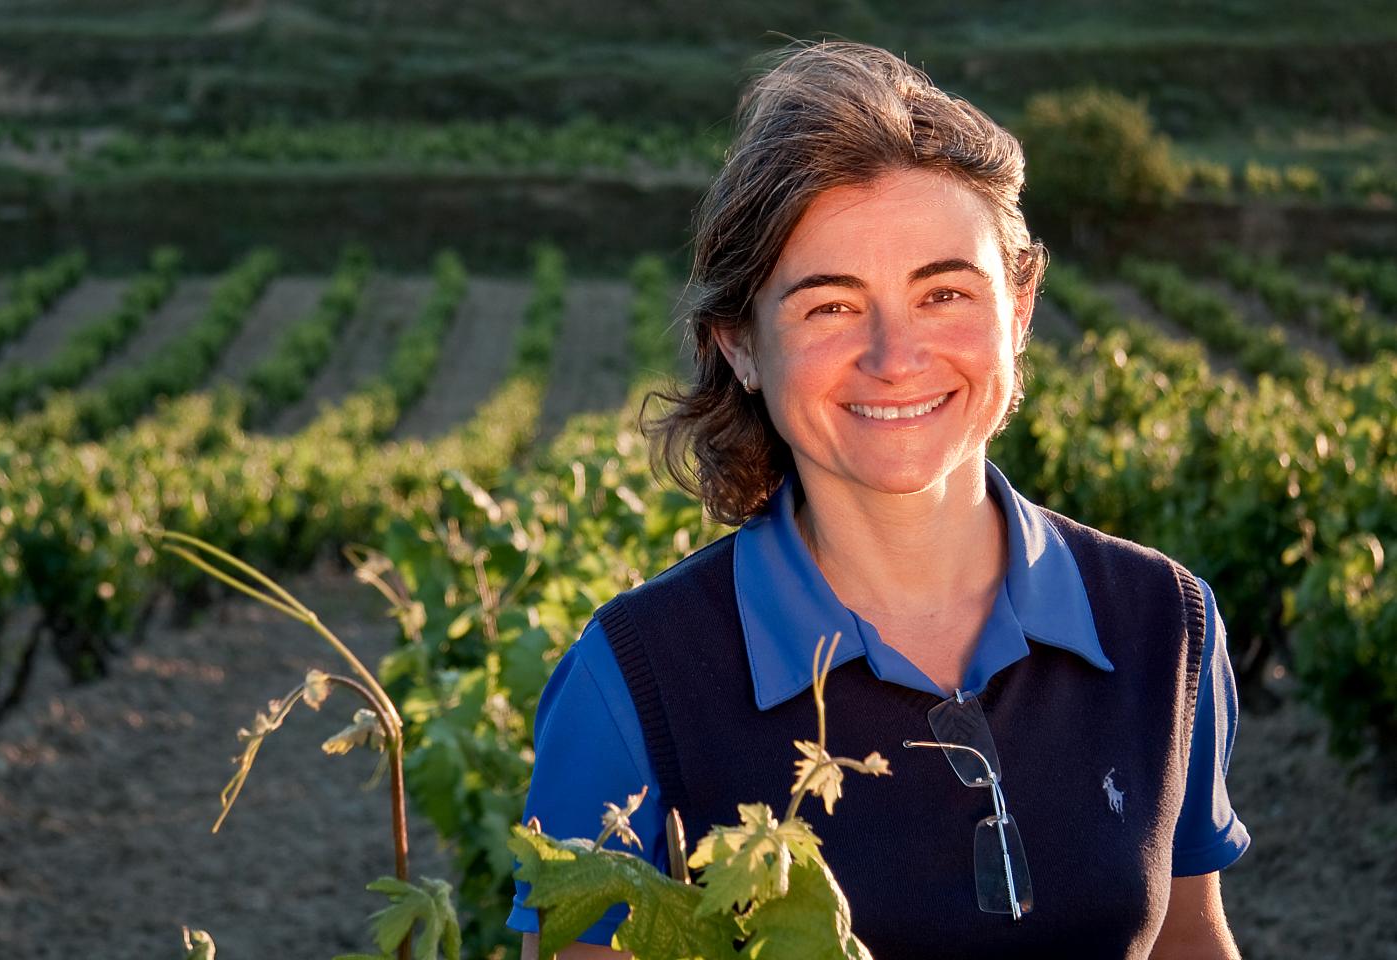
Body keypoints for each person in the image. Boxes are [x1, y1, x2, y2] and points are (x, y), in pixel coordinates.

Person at [511, 40, 1250, 960]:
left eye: (944, 293)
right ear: (739, 345)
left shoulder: (1164, 623)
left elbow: (1190, 937)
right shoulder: (633, 683)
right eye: (830, 306)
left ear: (1018, 313)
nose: (895, 357)